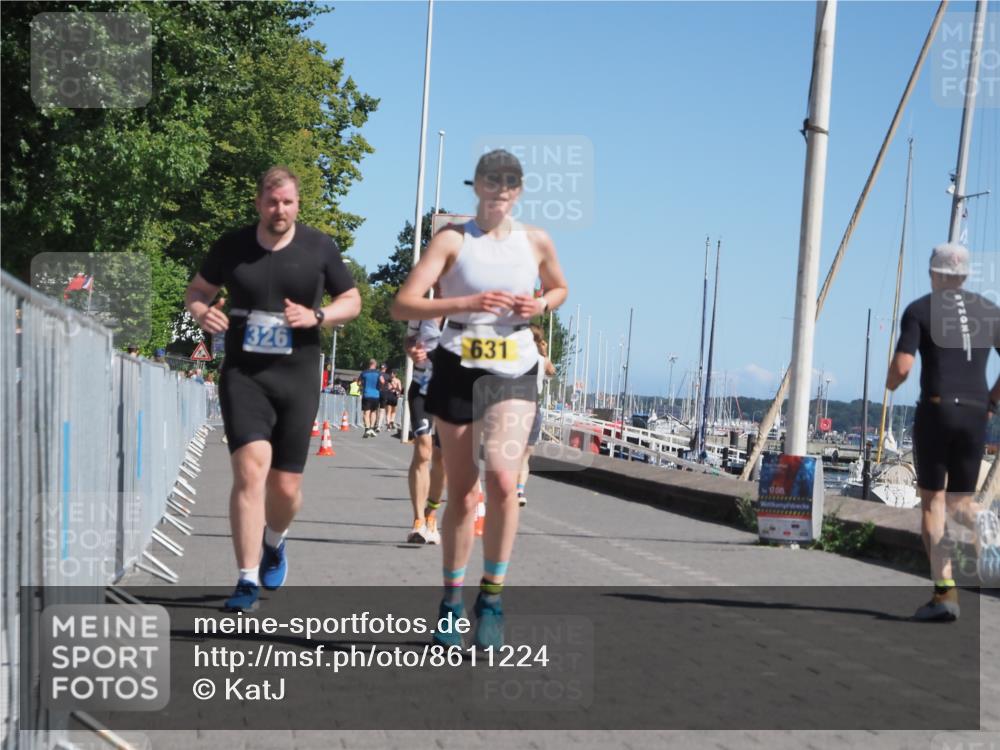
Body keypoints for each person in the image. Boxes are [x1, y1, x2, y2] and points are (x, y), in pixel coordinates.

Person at [391, 149, 568, 648]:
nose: (501, 191)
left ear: (519, 190)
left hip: (513, 367)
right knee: (465, 493)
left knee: (504, 481)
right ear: (478, 188)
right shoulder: (452, 240)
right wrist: (464, 302)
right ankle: (450, 599)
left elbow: (559, 287)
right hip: (458, 364)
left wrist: (542, 302)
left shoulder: (536, 241)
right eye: (493, 182)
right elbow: (403, 302)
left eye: (511, 183)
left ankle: (491, 596)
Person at [185, 165, 361, 612]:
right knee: (249, 471)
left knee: (286, 488)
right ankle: (245, 578)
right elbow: (198, 291)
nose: (278, 209)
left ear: (297, 204)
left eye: (287, 202)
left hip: (298, 374)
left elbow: (352, 300)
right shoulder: (233, 246)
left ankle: (275, 542)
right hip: (245, 373)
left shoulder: (318, 247)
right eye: (271, 201)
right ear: (258, 202)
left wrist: (318, 316)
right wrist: (201, 312)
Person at [887, 242, 1000, 621]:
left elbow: (903, 368)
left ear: (934, 273)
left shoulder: (921, 309)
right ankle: (991, 528)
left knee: (935, 504)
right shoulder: (989, 311)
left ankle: (945, 595)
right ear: (965, 274)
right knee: (962, 503)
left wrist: (889, 383)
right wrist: (991, 402)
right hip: (975, 415)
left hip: (936, 412)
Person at [404, 317, 446, 544]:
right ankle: (418, 521)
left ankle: (432, 513)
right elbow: (409, 339)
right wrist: (412, 350)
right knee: (423, 450)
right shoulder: (421, 309)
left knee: (443, 459)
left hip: (450, 391)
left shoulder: (463, 306)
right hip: (421, 388)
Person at [517, 325, 556, 507]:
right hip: (530, 408)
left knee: (519, 452)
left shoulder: (517, 357)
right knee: (524, 454)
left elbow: (550, 371)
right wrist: (545, 352)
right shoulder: (538, 360)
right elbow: (552, 371)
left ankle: (517, 489)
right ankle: (518, 489)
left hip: (520, 408)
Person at [358, 359, 383, 438]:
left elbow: (358, 382)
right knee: (374, 412)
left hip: (367, 394)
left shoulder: (364, 372)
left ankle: (367, 429)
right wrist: (379, 388)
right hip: (376, 395)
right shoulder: (378, 373)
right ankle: (372, 428)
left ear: (369, 364)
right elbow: (382, 381)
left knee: (366, 412)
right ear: (375, 365)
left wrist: (362, 386)